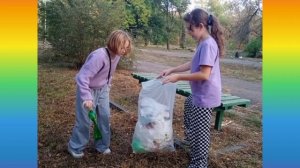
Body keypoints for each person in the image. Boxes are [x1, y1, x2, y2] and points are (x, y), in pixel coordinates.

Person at [159, 8, 225, 168]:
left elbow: (204, 74)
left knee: (201, 133)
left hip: (206, 96)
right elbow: (192, 64)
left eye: (190, 28)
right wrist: (172, 70)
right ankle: (191, 139)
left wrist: (178, 77)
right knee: (189, 105)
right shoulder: (202, 43)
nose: (189, 32)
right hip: (198, 94)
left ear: (201, 26)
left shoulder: (208, 44)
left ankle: (199, 163)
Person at [68, 30, 132, 158]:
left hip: (103, 89)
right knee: (85, 120)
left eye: (126, 48)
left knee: (104, 116)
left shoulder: (117, 56)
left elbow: (109, 72)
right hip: (88, 90)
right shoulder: (99, 56)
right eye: (122, 47)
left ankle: (102, 145)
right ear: (114, 43)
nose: (124, 50)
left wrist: (107, 86)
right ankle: (75, 147)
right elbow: (82, 77)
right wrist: (87, 97)